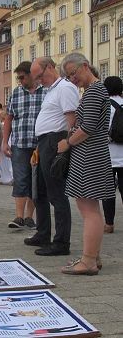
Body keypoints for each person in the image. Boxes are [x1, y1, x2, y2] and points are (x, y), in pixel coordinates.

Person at [57, 53, 114, 275]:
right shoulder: (98, 90)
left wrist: (67, 143)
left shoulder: (93, 92)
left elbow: (87, 127)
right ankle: (93, 256)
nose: (73, 79)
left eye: (74, 73)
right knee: (91, 209)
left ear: (86, 66)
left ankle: (88, 260)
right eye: (69, 76)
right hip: (94, 154)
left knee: (89, 209)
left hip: (88, 156)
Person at [28, 57, 78, 256]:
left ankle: (61, 242)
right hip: (44, 142)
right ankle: (43, 232)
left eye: (40, 76)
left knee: (57, 193)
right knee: (39, 190)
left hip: (55, 141)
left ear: (50, 67)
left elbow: (71, 120)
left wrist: (65, 147)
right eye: (36, 78)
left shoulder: (65, 87)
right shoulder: (52, 90)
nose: (39, 81)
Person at [3, 61, 45, 230]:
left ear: (31, 75)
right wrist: (5, 142)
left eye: (22, 77)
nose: (20, 81)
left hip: (39, 145)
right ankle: (19, 217)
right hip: (20, 143)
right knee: (20, 179)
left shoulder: (46, 92)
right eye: (18, 78)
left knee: (35, 181)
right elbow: (9, 118)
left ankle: (30, 217)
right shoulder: (16, 93)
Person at [102, 76, 123, 234]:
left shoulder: (106, 106)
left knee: (108, 191)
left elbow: (101, 129)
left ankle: (109, 224)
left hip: (108, 155)